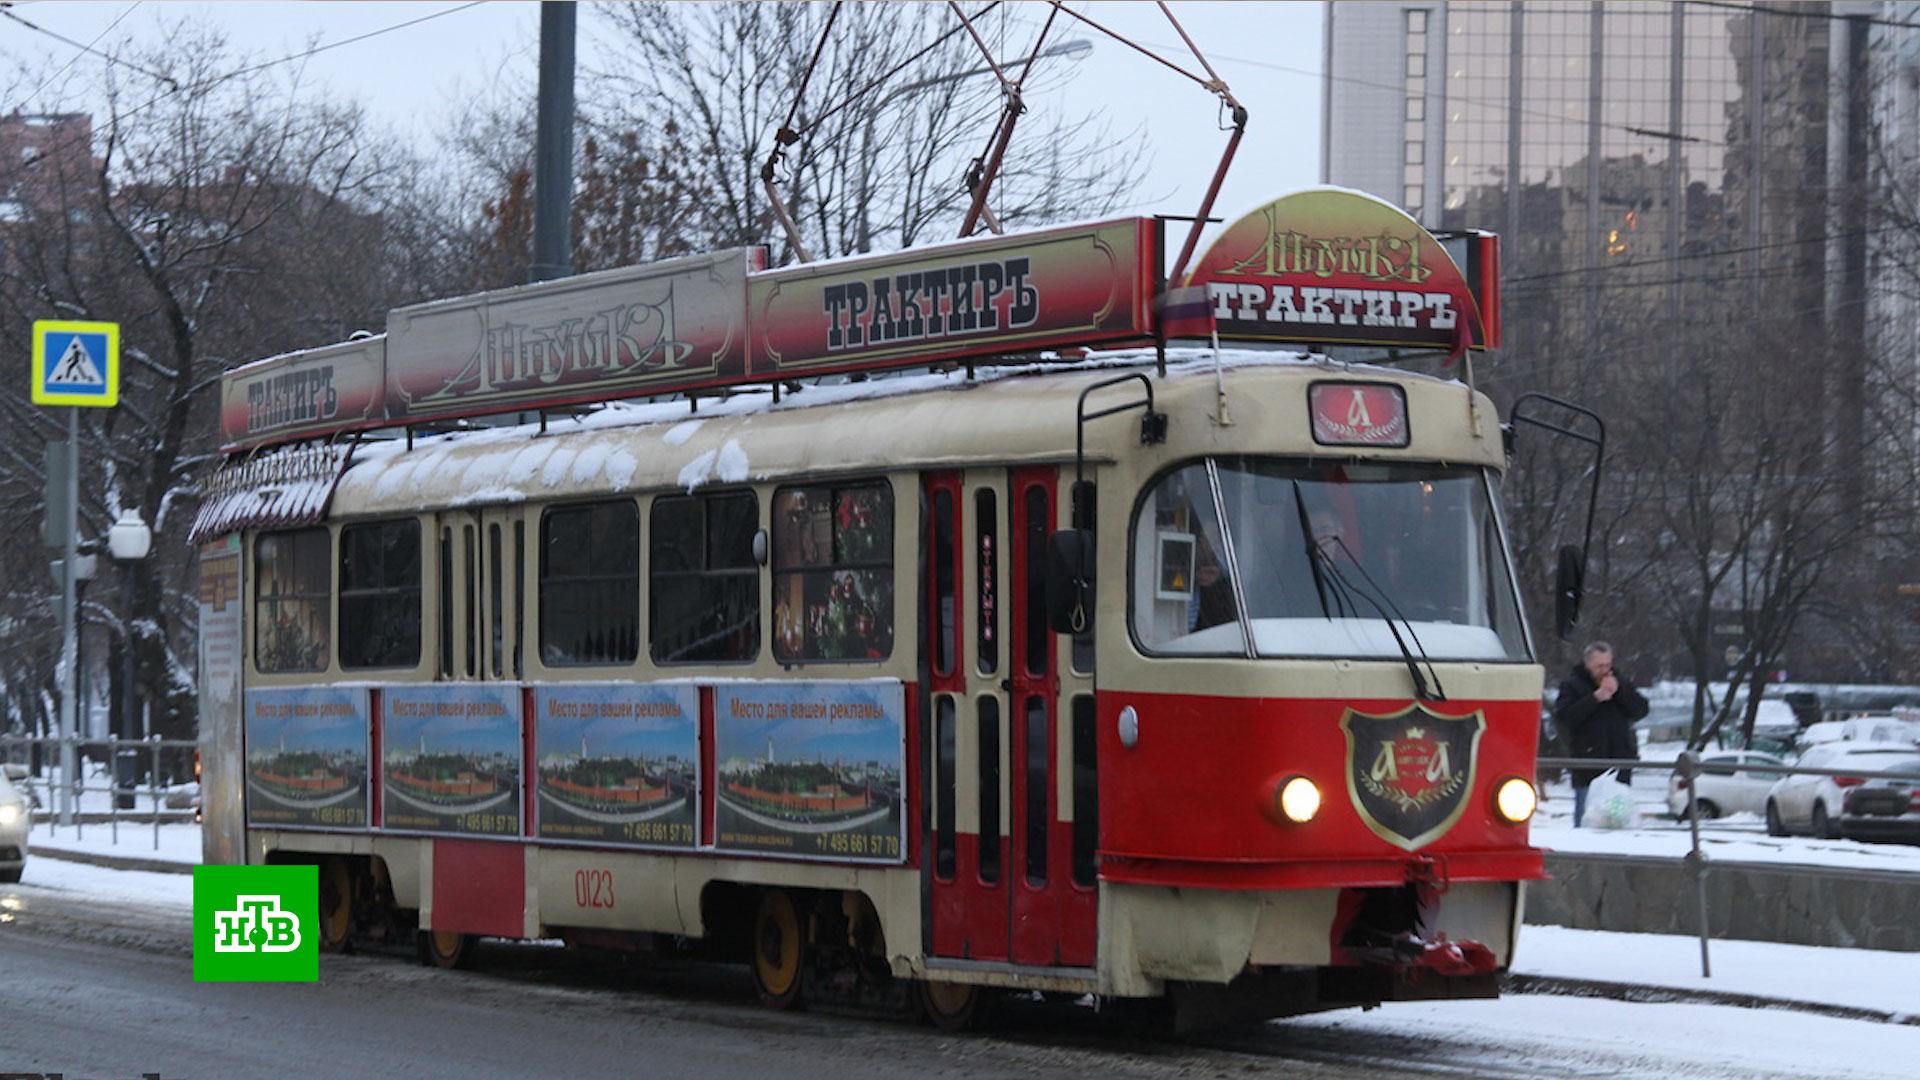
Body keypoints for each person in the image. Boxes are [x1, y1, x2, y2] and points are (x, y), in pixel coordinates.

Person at [1553, 641, 1649, 827]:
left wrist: (1620, 692)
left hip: (1619, 765)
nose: (1605, 670)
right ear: (1587, 664)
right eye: (1599, 666)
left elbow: (1641, 710)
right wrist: (1595, 698)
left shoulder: (1620, 681)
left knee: (1617, 821)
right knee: (1587, 819)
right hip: (1588, 766)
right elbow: (1565, 718)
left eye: (1608, 665)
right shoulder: (1572, 685)